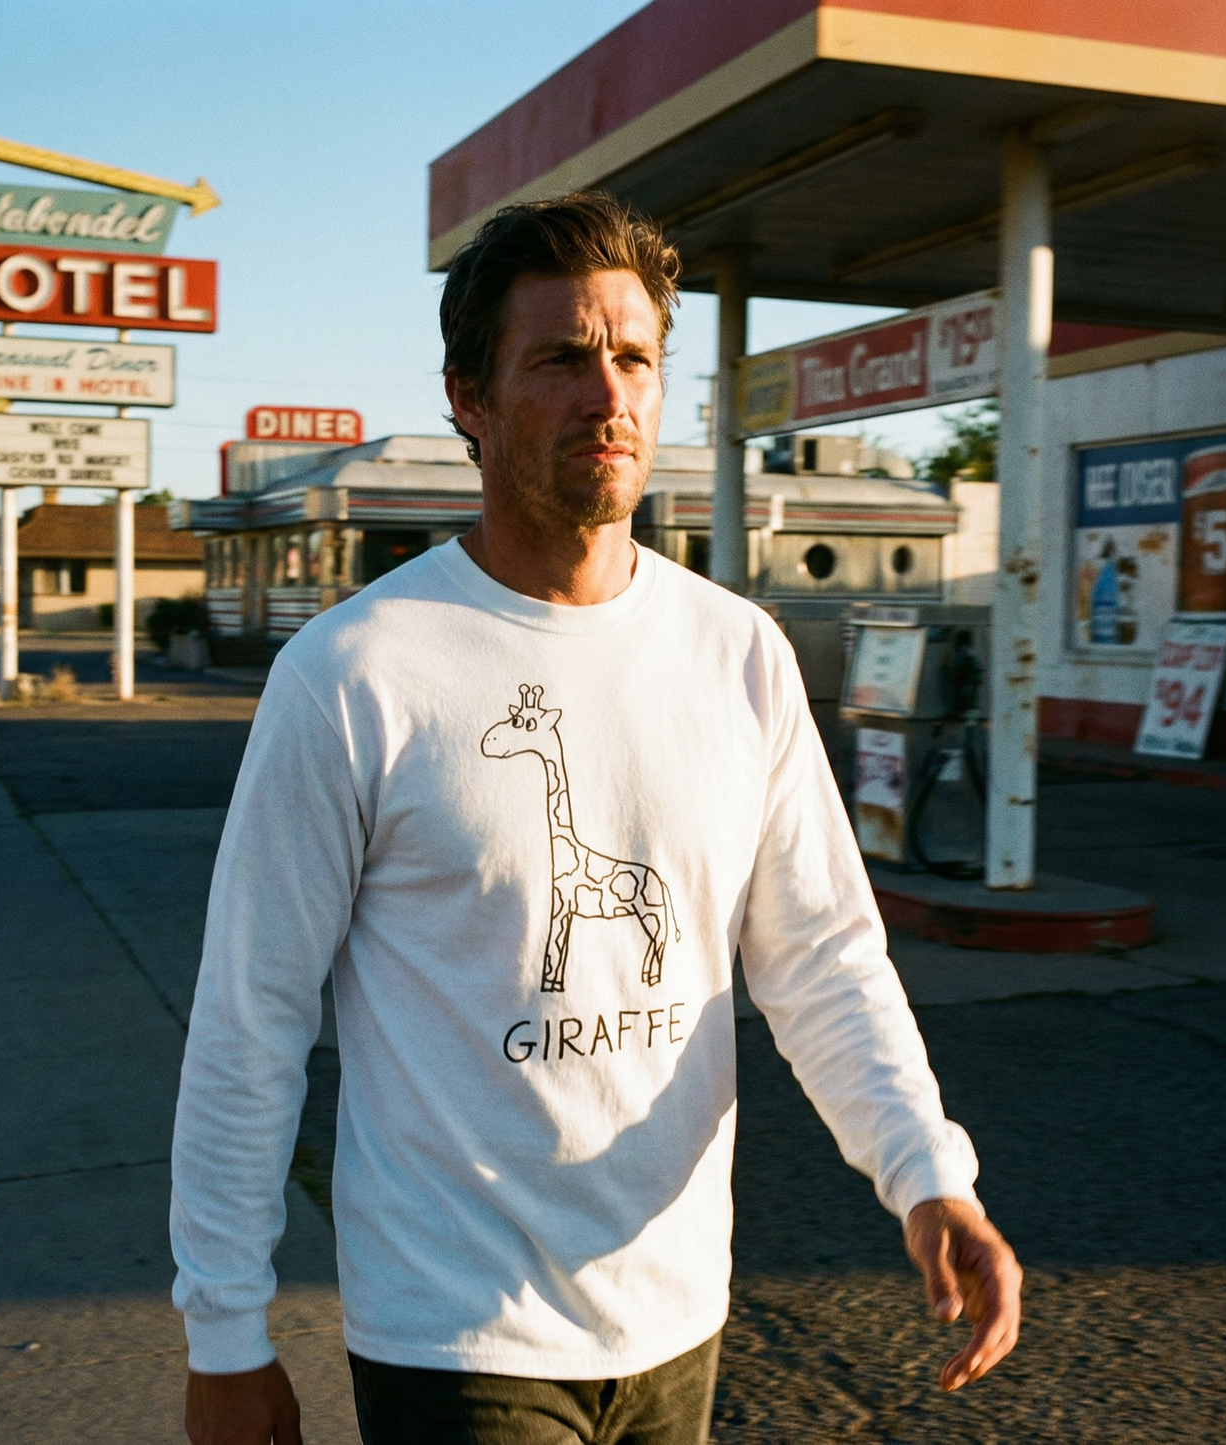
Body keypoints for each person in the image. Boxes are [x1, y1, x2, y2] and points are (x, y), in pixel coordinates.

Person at [171, 191, 1021, 1445]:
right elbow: (251, 1016)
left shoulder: (736, 652)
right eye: (560, 359)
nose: (606, 395)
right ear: (468, 398)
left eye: (632, 357)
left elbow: (823, 958)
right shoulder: (355, 671)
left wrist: (926, 1171)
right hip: (454, 1328)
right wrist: (225, 1332)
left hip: (677, 1308)